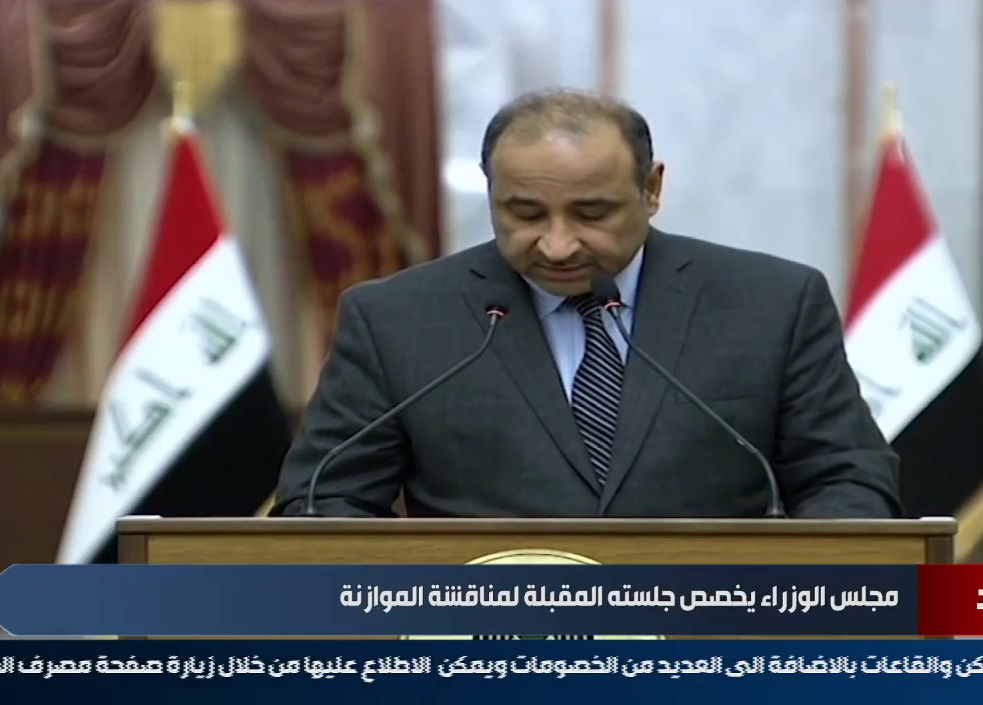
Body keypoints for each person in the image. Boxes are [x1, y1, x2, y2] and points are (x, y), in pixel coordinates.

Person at [272, 88, 902, 519]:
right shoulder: (396, 320)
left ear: (651, 189)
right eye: (524, 213)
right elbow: (323, 500)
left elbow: (847, 480)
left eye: (591, 213)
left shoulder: (771, 304)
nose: (557, 244)